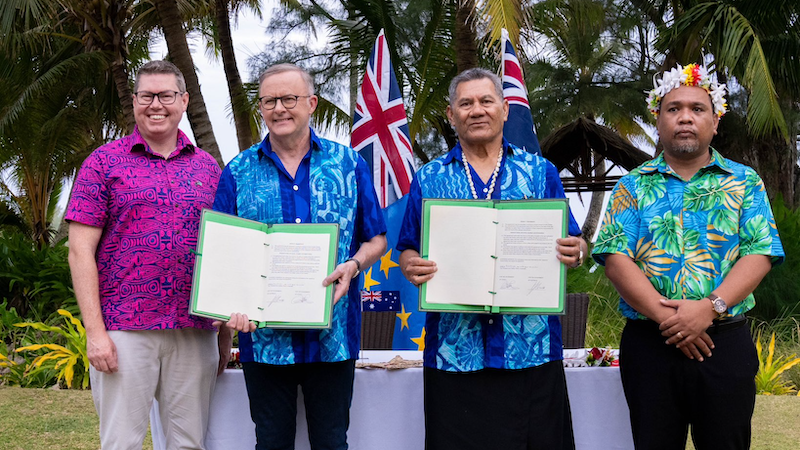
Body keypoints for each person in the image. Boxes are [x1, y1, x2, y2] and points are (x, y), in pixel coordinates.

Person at [592, 62, 785, 450]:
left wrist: (708, 309)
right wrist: (672, 319)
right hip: (651, 346)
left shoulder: (743, 181)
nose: (685, 118)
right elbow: (615, 257)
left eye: (697, 109)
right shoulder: (631, 186)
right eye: (673, 108)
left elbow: (760, 252)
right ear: (658, 121)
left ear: (715, 122)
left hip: (724, 346)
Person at [397, 68, 587, 450]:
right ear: (452, 115)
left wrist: (577, 251)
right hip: (454, 352)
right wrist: (410, 264)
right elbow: (408, 246)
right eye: (465, 103)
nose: (476, 110)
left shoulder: (539, 172)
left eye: (486, 101)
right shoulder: (429, 177)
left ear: (504, 110)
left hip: (528, 350)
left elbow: (575, 242)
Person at [214, 63, 387, 450]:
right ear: (261, 108)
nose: (279, 108)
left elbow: (376, 239)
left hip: (332, 338)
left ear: (311, 104)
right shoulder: (238, 171)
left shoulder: (348, 164)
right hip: (264, 341)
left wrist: (353, 265)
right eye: (269, 100)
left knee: (331, 442)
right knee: (271, 443)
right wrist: (229, 308)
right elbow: (222, 252)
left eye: (289, 98)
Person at [66, 60, 228, 449]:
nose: (156, 104)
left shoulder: (208, 169)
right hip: (124, 329)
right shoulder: (103, 163)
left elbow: (225, 252)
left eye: (166, 95)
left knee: (189, 443)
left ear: (184, 100)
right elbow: (78, 251)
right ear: (135, 101)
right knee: (122, 442)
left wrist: (224, 335)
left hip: (193, 329)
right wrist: (95, 334)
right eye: (146, 96)